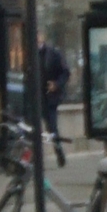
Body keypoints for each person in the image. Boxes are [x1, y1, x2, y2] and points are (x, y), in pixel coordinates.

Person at [37, 35, 71, 163]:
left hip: (49, 98)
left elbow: (65, 72)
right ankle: (35, 157)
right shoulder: (28, 53)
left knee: (52, 127)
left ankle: (59, 152)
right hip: (36, 98)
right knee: (33, 129)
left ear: (42, 38)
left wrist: (56, 84)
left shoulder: (53, 53)